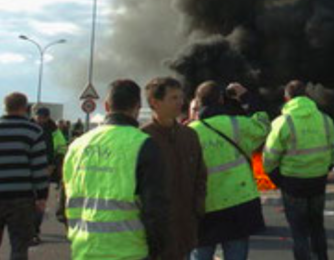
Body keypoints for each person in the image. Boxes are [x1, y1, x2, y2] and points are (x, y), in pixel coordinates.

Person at [63, 79, 168, 260]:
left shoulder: (77, 146)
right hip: (130, 251)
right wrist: (158, 248)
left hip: (84, 249)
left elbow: (62, 205)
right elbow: (155, 209)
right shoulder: (144, 145)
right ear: (137, 106)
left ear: (106, 105)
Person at [189, 81, 271, 260]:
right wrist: (245, 97)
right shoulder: (237, 125)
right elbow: (264, 125)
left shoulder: (189, 133)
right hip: (239, 205)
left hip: (205, 209)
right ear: (220, 99)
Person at [263, 80, 334, 260]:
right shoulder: (325, 120)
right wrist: (323, 169)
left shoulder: (282, 122)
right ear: (307, 96)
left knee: (299, 231)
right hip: (318, 180)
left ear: (287, 98)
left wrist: (278, 179)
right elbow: (333, 152)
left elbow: (269, 158)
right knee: (317, 226)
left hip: (293, 183)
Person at [141, 77, 207, 260]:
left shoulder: (189, 136)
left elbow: (200, 176)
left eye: (181, 97)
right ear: (155, 102)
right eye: (174, 98)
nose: (180, 103)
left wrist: (197, 209)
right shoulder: (142, 138)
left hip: (185, 228)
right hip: (155, 235)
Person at [0, 92, 48, 260]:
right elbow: (39, 168)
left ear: (5, 107)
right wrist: (42, 197)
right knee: (19, 248)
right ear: (25, 108)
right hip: (21, 199)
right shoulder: (33, 130)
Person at [31, 106, 66, 245]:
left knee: (40, 202)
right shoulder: (30, 128)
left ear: (47, 117)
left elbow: (62, 148)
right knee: (28, 202)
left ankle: (35, 231)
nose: (41, 119)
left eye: (43, 117)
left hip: (46, 170)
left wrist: (54, 164)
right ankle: (30, 231)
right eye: (38, 116)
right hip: (29, 170)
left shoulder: (54, 131)